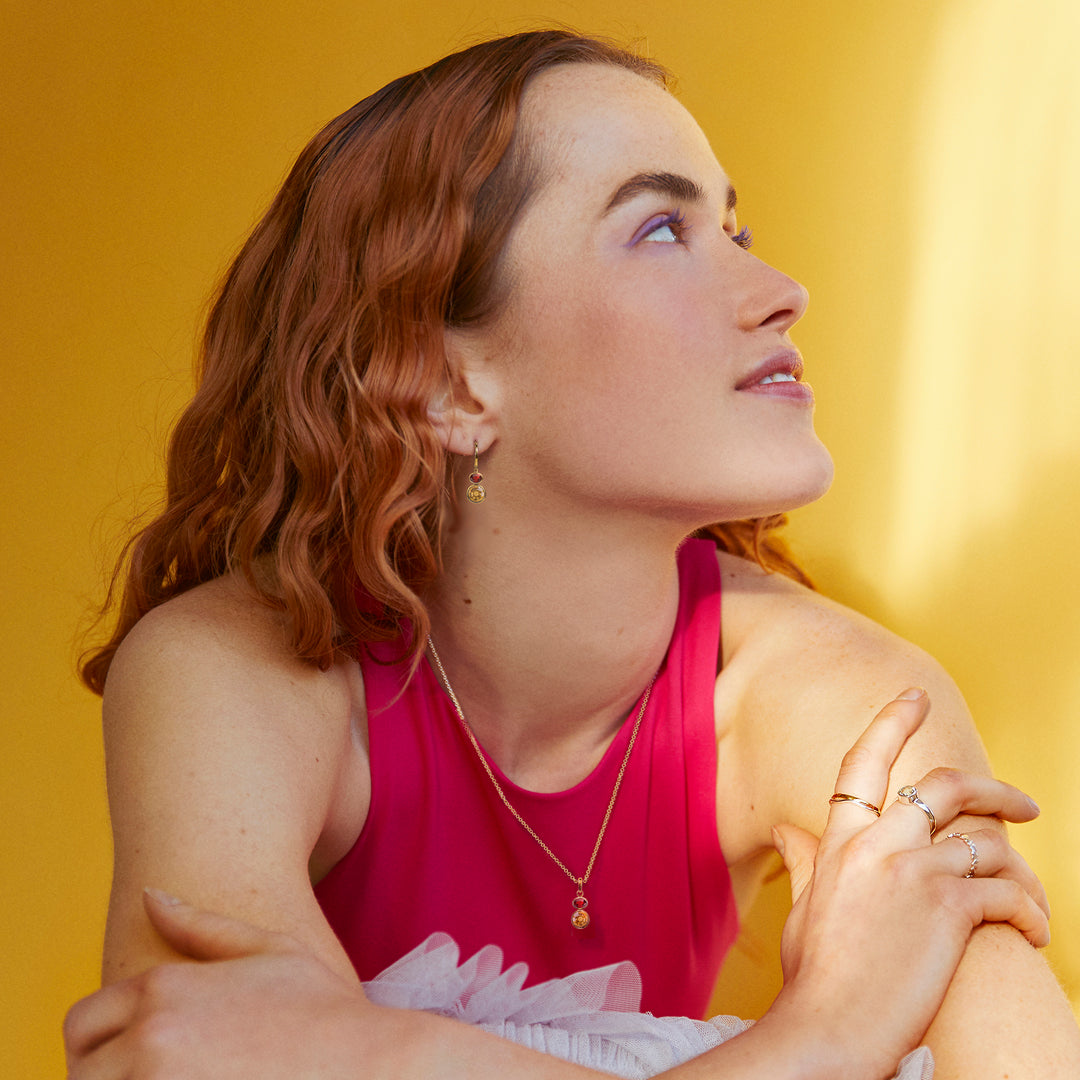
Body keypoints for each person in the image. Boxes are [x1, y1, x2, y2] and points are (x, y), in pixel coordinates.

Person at [63, 29, 1080, 1079]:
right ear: (447, 385)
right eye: (660, 229)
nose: (782, 289)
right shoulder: (230, 669)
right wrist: (824, 1036)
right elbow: (177, 1059)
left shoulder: (853, 705)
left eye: (735, 228)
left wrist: (362, 1050)